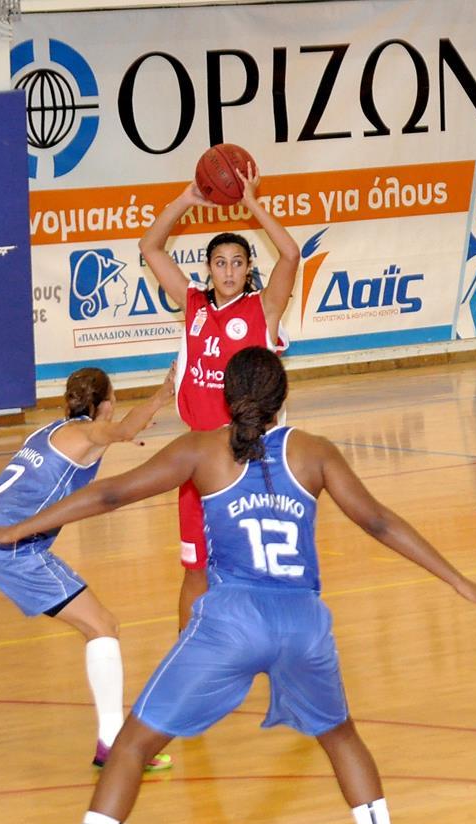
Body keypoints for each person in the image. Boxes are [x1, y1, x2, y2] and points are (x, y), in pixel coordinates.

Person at [0, 347, 476, 824]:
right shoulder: (314, 452)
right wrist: (461, 582)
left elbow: (110, 494)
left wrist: (18, 529)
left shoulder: (202, 450)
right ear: (282, 398)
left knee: (132, 746)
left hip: (231, 623)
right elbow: (378, 522)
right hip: (303, 622)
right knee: (341, 737)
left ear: (225, 397)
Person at [0, 368, 175, 771]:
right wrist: (161, 396)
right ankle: (112, 743)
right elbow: (119, 431)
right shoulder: (88, 432)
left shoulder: (46, 432)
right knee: (102, 626)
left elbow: (114, 434)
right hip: (13, 548)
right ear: (105, 405)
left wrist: (124, 429)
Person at [140, 163, 301, 630]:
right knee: (196, 570)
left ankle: (263, 644)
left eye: (237, 262)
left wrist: (251, 204)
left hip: (251, 456)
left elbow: (290, 254)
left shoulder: (264, 309)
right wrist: (186, 199)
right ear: (208, 269)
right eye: (220, 262)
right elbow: (150, 247)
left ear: (249, 268)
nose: (229, 270)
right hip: (199, 456)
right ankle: (187, 648)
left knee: (259, 568)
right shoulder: (192, 302)